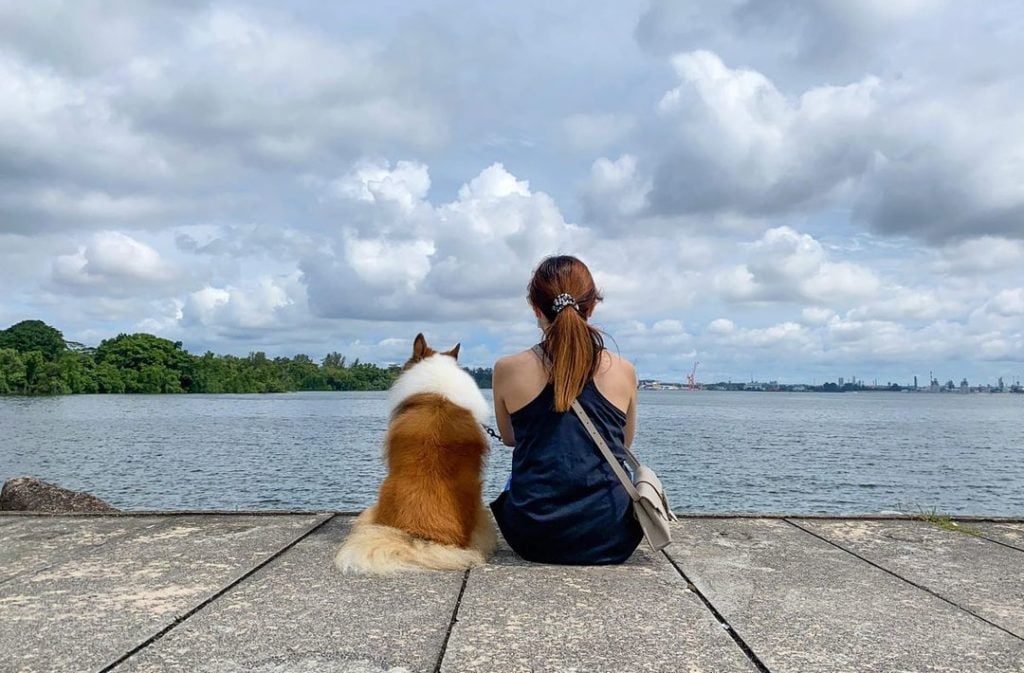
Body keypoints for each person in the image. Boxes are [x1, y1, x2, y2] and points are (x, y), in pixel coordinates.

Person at [489, 255, 643, 564]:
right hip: (611, 534)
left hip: (533, 536)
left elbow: (509, 438)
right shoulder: (623, 369)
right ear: (592, 306)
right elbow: (623, 444)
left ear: (536, 309)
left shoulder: (507, 369)